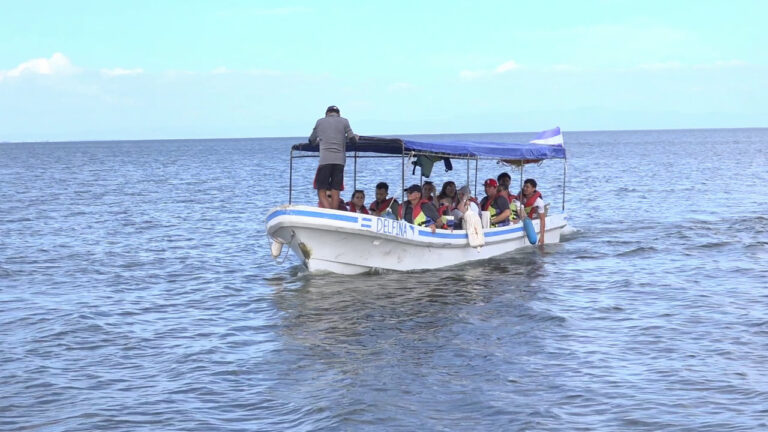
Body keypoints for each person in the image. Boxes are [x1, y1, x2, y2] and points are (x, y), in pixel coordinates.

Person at [309, 105, 358, 210]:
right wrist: (355, 138)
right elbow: (353, 140)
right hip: (340, 162)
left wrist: (320, 141)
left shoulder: (320, 122)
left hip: (325, 161)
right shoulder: (344, 121)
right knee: (336, 190)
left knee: (321, 191)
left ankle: (328, 212)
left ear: (326, 114)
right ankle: (335, 213)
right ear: (339, 114)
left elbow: (311, 140)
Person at [519, 178, 546, 244]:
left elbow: (542, 219)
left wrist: (542, 236)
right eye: (524, 186)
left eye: (527, 187)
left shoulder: (539, 202)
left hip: (531, 218)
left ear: (533, 189)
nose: (525, 188)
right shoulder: (520, 196)